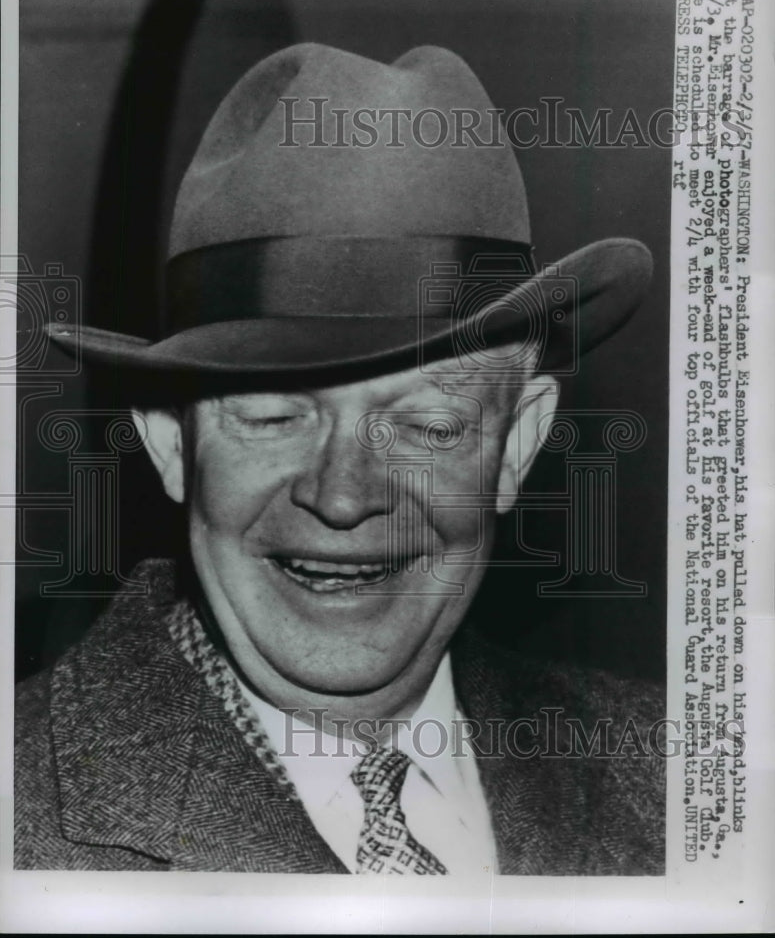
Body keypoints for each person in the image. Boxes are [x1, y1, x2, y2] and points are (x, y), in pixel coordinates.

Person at [14, 43, 664, 874]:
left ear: (516, 445)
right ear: (171, 441)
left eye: (429, 426)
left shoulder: (683, 779)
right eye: (274, 416)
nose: (344, 497)